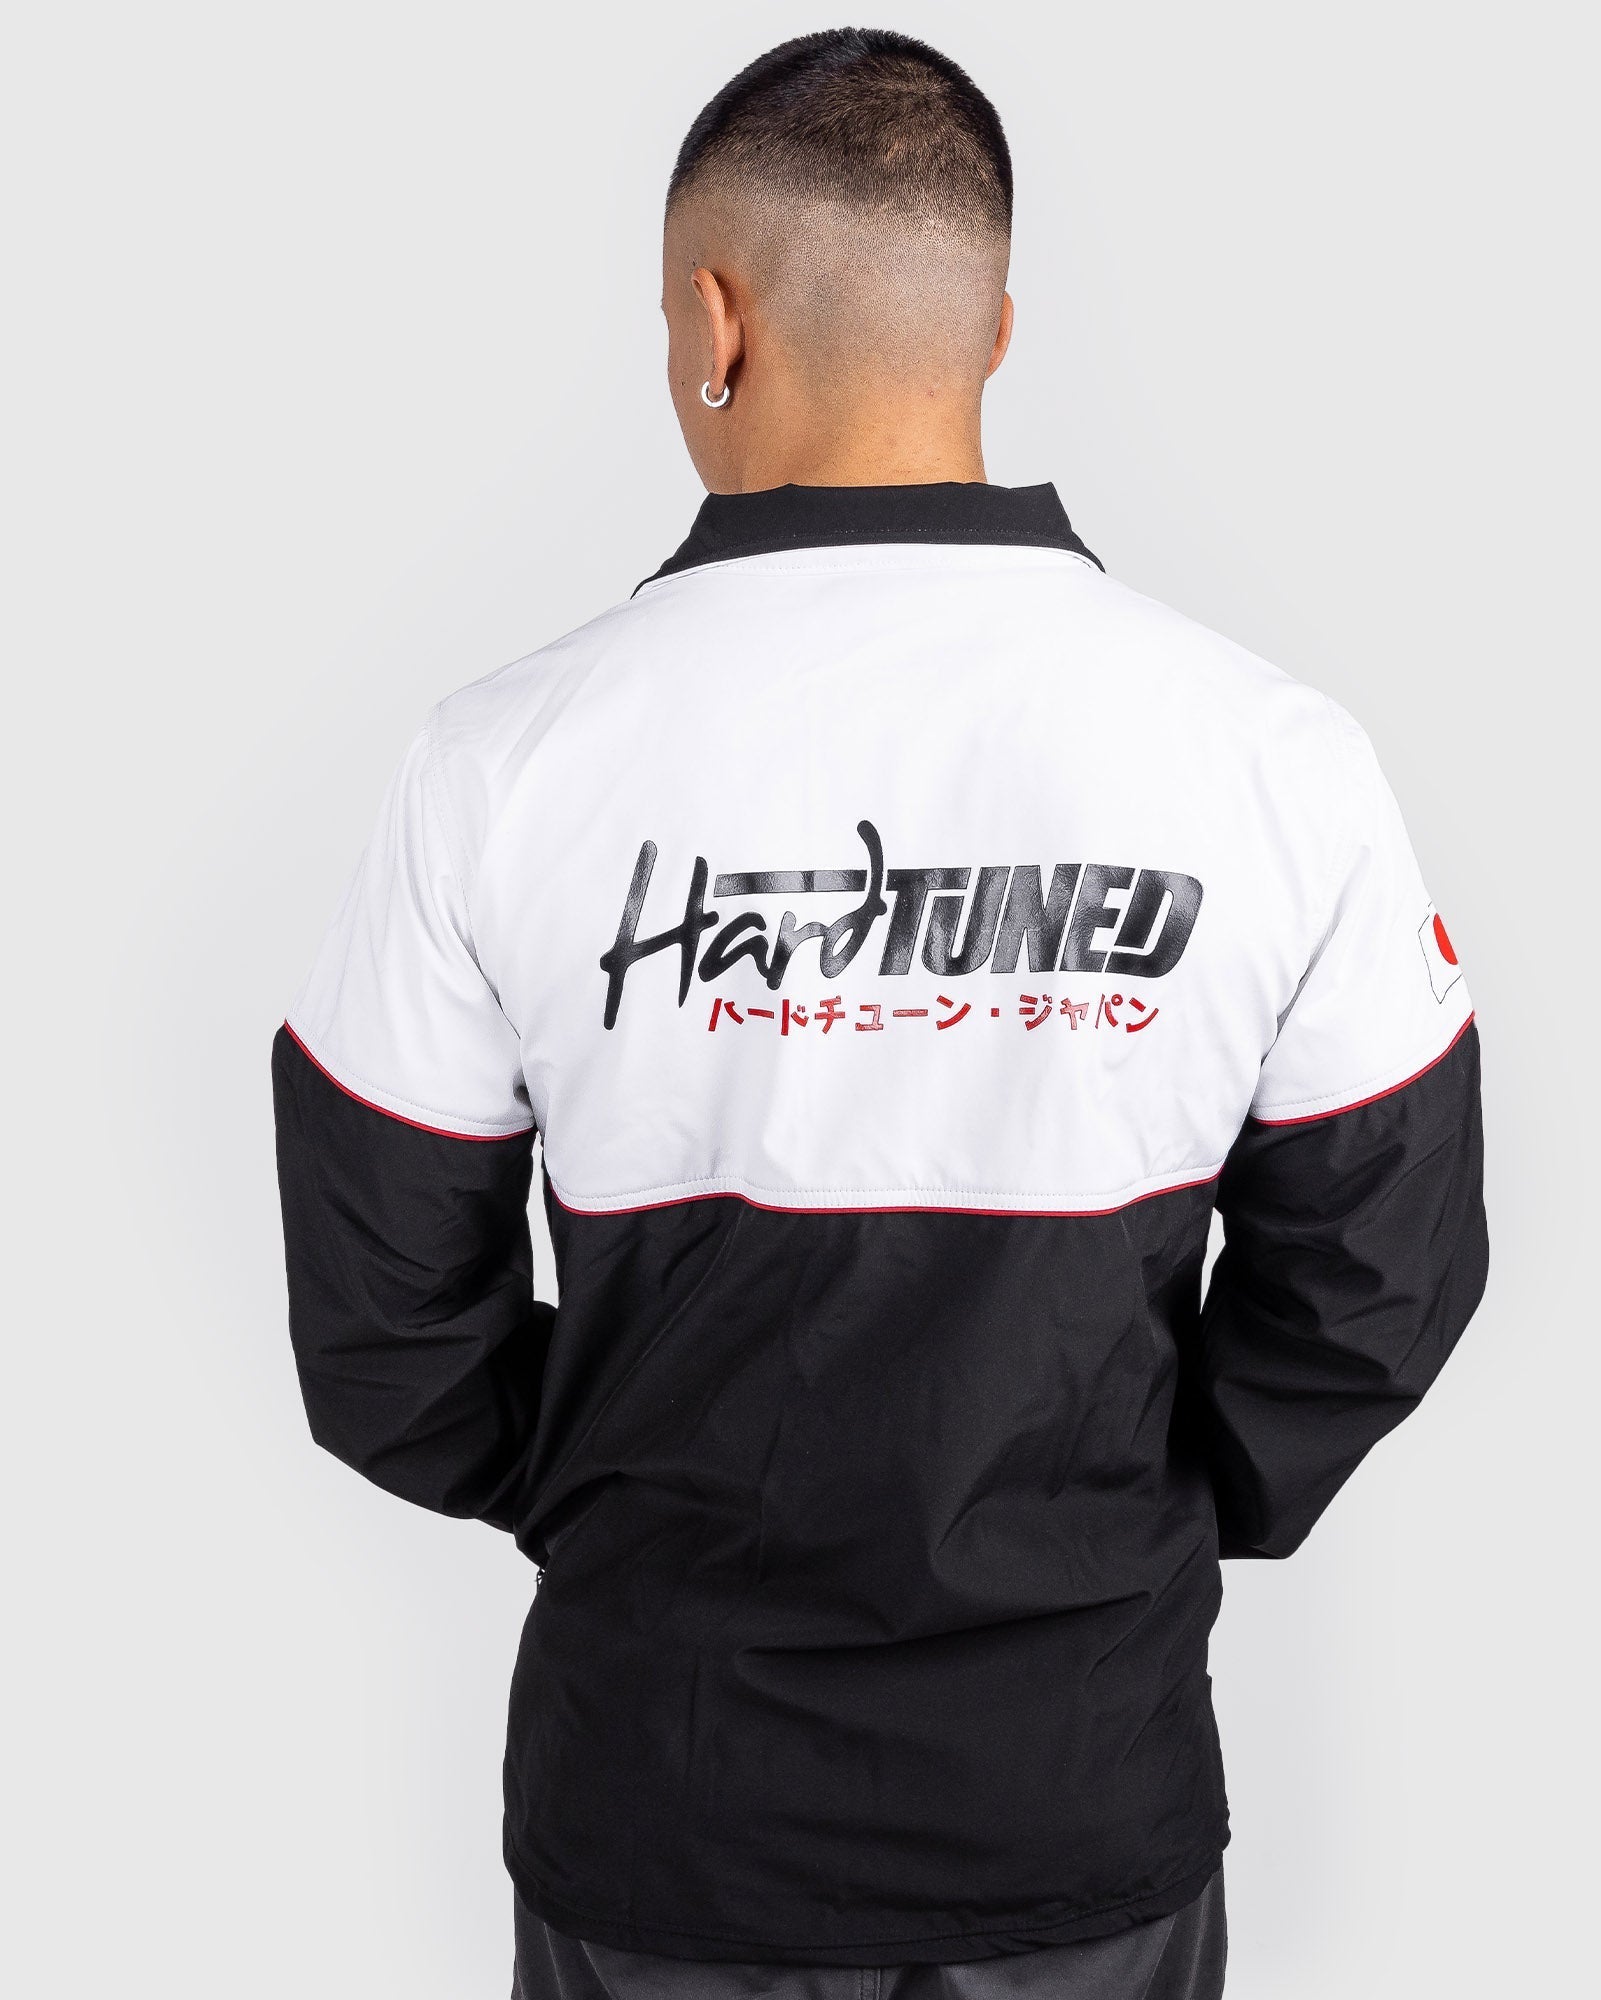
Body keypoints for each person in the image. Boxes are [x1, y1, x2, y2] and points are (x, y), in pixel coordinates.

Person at [271, 28, 1487, 2000]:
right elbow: (1381, 1282)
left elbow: (381, 1336)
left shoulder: (498, 765)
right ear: (991, 328)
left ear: (712, 321)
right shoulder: (1271, 758)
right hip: (1078, 1800)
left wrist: (617, 1491)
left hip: (663, 1806)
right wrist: (1126, 1508)